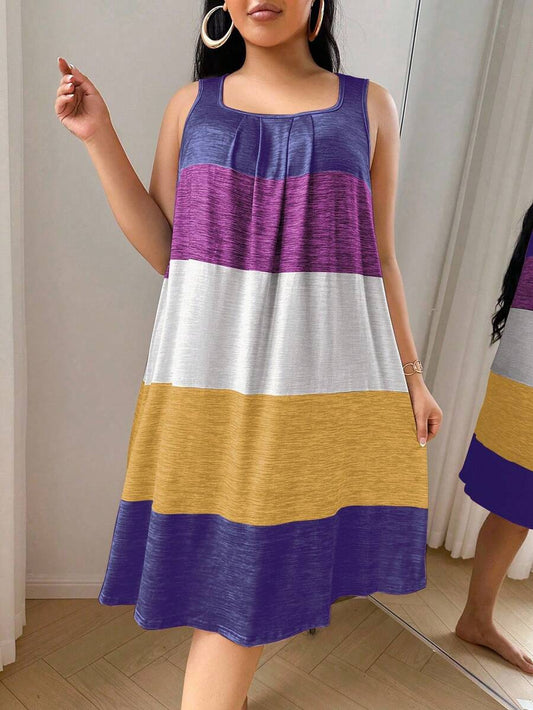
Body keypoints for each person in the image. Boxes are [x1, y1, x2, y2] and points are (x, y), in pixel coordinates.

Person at [55, 1, 442, 707]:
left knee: (259, 560)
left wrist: (412, 378)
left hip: (318, 383)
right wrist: (98, 136)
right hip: (208, 379)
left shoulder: (371, 107)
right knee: (234, 562)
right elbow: (168, 249)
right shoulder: (191, 106)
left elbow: (379, 257)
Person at [456, 202, 533, 674]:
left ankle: (476, 618)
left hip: (522, 382)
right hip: (526, 385)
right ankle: (477, 618)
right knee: (516, 507)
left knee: (516, 509)